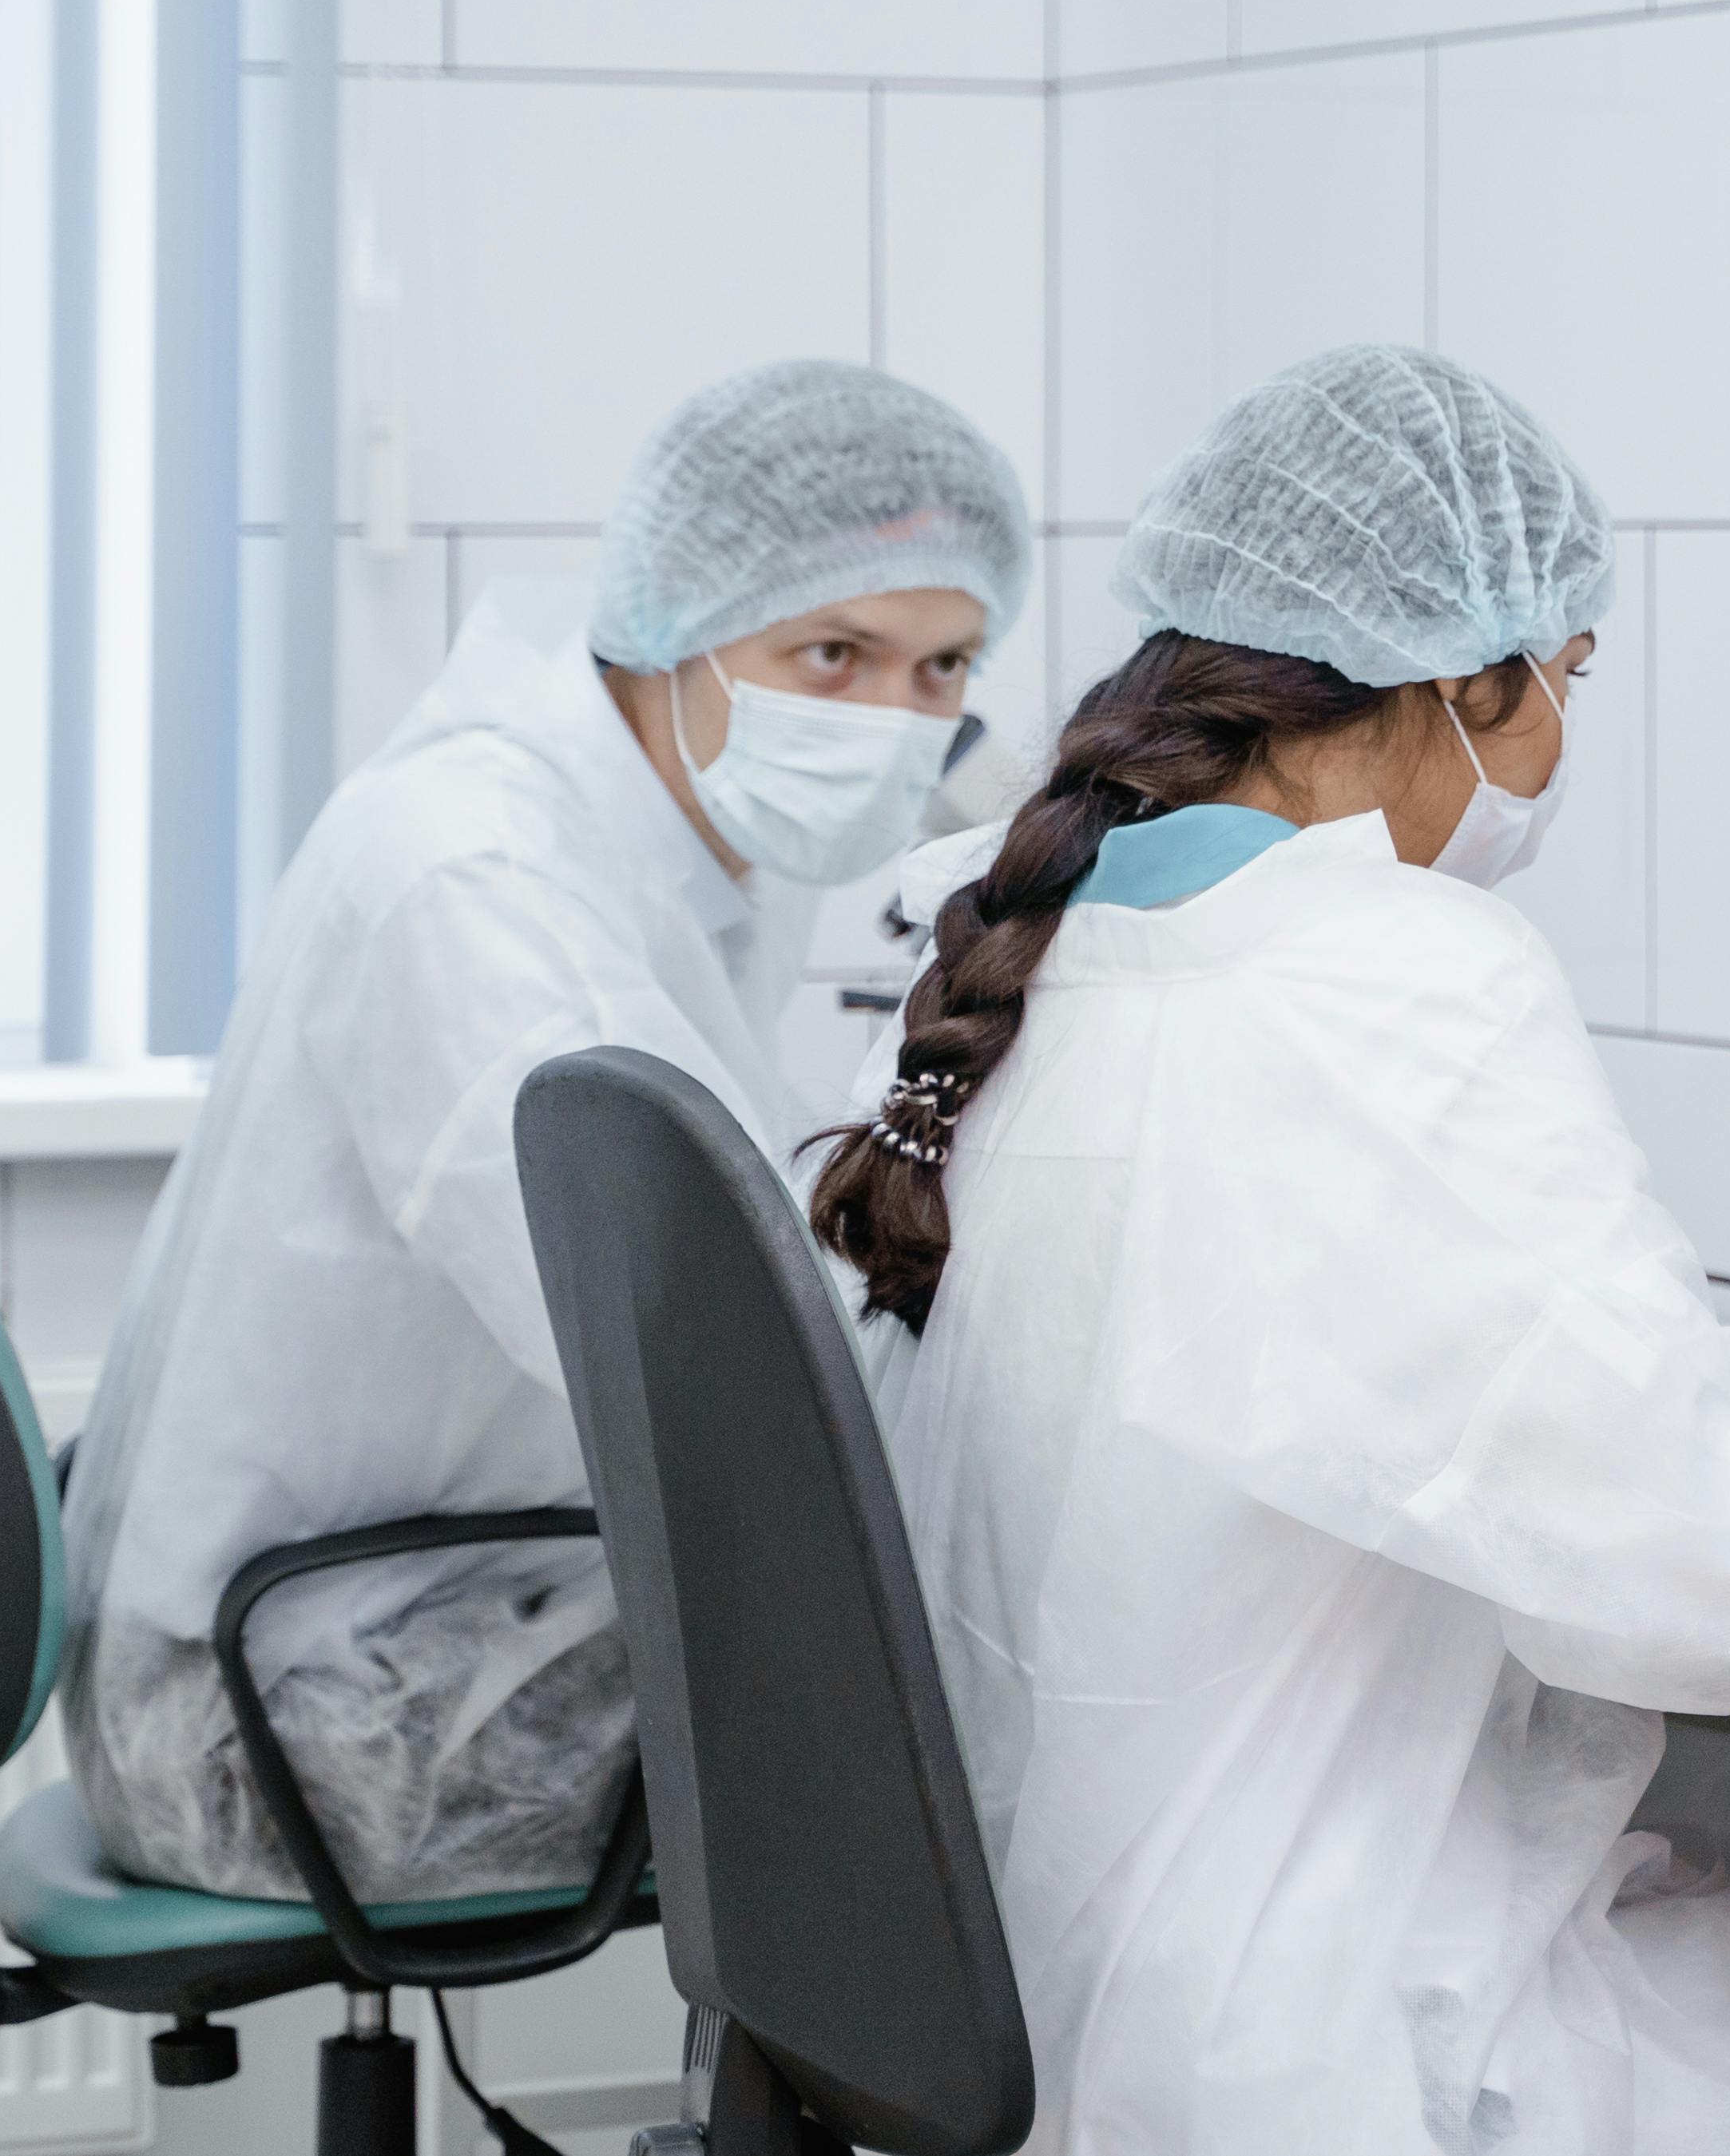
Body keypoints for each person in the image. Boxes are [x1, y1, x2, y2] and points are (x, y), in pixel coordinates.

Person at [810, 344, 1730, 2156]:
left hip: (1049, 1999)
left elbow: (1406, 1388)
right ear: (1459, 676)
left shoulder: (1041, 936)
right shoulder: (1392, 976)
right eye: (1562, 679)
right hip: (1321, 2056)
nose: (1558, 747)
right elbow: (1684, 1580)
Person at [60, 357, 1031, 1904]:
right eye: (832, 651)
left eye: (943, 668)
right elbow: (692, 1355)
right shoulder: (482, 879)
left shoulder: (645, 846)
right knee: (1004, 1696)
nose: (895, 718)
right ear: (670, 621)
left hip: (395, 1622)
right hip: (289, 1722)